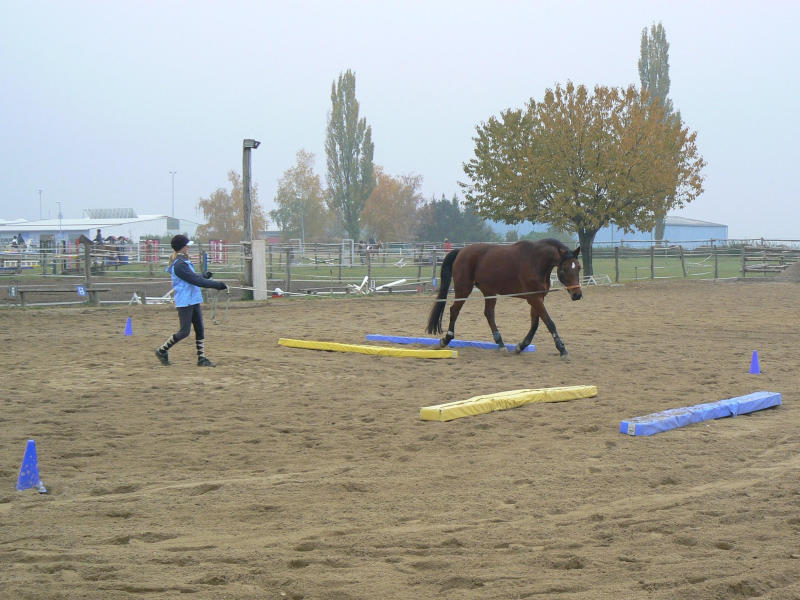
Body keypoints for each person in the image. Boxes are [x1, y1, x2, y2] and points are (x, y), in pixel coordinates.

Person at [155, 234, 227, 367]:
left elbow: (193, 277)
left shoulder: (184, 261)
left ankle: (202, 358)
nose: (188, 247)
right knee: (184, 332)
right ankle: (162, 350)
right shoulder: (179, 265)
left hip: (193, 299)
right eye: (187, 245)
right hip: (185, 301)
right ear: (182, 247)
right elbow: (194, 280)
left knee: (200, 329)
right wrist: (216, 284)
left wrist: (203, 276)